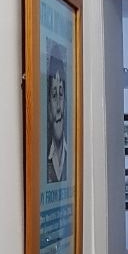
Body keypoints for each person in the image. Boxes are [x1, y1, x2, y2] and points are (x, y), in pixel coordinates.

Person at [46, 50, 68, 183]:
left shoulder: (71, 154)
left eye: (61, 94)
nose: (59, 107)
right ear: (48, 105)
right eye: (54, 96)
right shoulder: (44, 156)